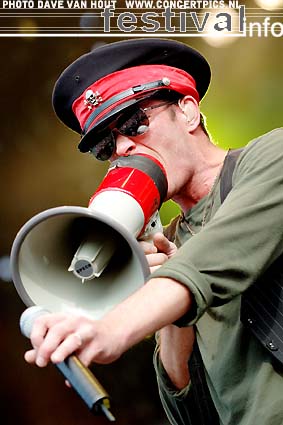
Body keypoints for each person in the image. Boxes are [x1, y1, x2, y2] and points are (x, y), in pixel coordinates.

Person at [24, 38, 283, 425]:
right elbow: (190, 413)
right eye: (104, 144)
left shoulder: (273, 156)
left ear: (189, 112)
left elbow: (212, 263)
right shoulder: (172, 251)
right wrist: (171, 317)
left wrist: (112, 327)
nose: (123, 146)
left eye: (133, 122)